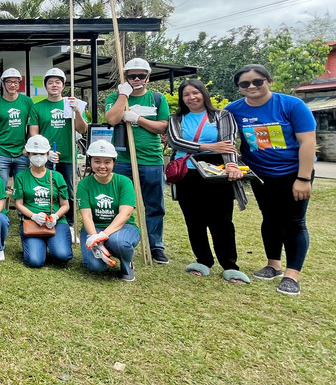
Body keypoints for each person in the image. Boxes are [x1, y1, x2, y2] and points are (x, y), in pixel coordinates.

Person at [226, 64, 317, 296]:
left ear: (268, 80)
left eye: (257, 81)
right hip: (260, 175)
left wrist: (303, 178)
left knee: (295, 222)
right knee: (271, 219)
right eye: (245, 84)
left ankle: (292, 274)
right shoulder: (233, 110)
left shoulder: (291, 105)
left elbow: (307, 142)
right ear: (239, 88)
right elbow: (228, 140)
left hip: (293, 173)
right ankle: (273, 265)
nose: (252, 87)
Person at [167, 79, 250, 284]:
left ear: (204, 93)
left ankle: (230, 265)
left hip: (217, 174)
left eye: (195, 92)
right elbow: (176, 142)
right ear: (182, 98)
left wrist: (231, 166)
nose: (191, 97)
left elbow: (228, 143)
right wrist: (210, 147)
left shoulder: (222, 116)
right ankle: (203, 260)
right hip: (188, 172)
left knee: (221, 220)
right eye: (186, 94)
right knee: (194, 220)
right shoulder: (176, 119)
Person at [104, 57, 170, 263]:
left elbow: (163, 127)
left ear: (148, 77)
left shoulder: (157, 98)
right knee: (121, 203)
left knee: (154, 205)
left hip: (151, 159)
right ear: (126, 78)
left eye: (141, 75)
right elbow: (111, 119)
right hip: (122, 159)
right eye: (132, 76)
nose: (137, 79)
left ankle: (155, 245)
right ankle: (119, 239)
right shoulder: (116, 96)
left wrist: (138, 119)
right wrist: (124, 94)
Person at [27, 67, 88, 226]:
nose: (54, 85)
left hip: (68, 156)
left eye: (58, 82)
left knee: (68, 191)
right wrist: (45, 153)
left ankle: (69, 224)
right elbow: (34, 134)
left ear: (63, 86)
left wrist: (78, 112)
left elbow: (82, 129)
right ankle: (46, 219)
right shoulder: (37, 107)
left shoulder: (71, 104)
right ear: (46, 86)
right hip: (44, 158)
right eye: (50, 82)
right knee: (44, 190)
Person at [76, 140, 141, 282]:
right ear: (90, 161)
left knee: (118, 241)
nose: (102, 166)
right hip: (95, 227)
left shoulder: (124, 182)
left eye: (107, 162)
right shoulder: (84, 184)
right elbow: (86, 216)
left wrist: (103, 235)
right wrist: (94, 238)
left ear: (114, 163)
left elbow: (126, 213)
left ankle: (126, 264)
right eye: (97, 161)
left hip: (124, 227)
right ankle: (106, 248)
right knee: (95, 266)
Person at [13, 135, 72, 269]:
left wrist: (55, 216)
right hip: (32, 222)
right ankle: (39, 244)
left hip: (55, 222)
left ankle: (51, 242)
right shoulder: (21, 176)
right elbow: (18, 203)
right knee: (35, 261)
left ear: (47, 154)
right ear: (28, 154)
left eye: (41, 153)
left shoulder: (56, 176)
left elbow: (65, 205)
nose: (38, 157)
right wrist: (33, 216)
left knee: (63, 256)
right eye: (34, 153)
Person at [0, 67, 34, 189]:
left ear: (19, 84)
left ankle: (20, 209)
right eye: (9, 82)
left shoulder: (27, 102)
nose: (12, 85)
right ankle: (1, 209)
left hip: (22, 153)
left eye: (15, 82)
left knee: (22, 189)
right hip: (1, 152)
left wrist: (29, 148)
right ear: (3, 84)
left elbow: (32, 126)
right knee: (0, 189)